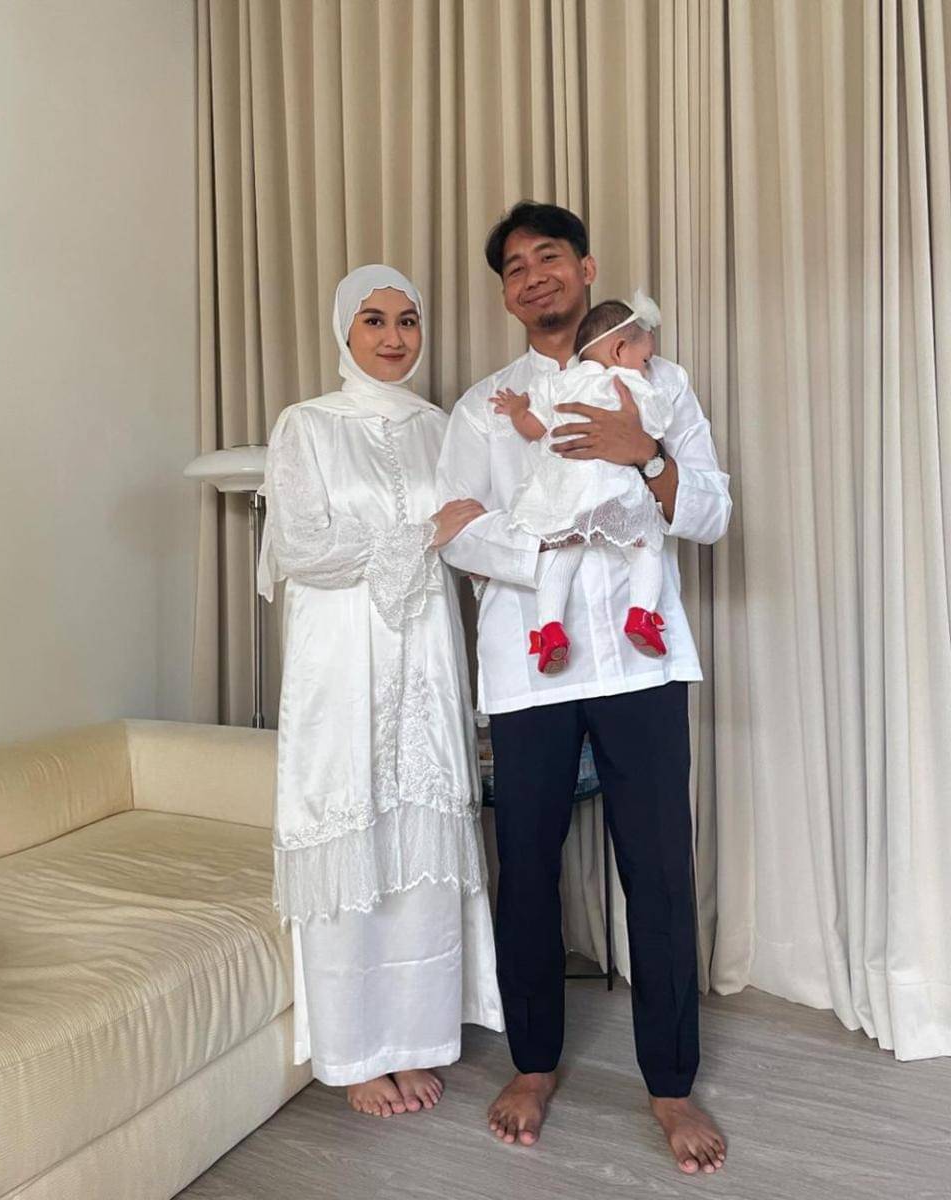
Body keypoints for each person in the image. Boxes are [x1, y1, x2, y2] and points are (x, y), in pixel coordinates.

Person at [435, 203, 732, 1175]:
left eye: (548, 257)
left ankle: (671, 1084)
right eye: (514, 267)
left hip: (644, 662)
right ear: (507, 294)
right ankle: (532, 1064)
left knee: (660, 869)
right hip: (531, 664)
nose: (532, 276)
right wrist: (549, 547)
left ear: (586, 268)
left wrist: (643, 454)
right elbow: (455, 527)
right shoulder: (486, 405)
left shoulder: (659, 383)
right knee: (526, 866)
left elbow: (711, 513)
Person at [258, 264, 503, 1120]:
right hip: (340, 660)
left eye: (408, 320)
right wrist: (423, 533)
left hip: (426, 653)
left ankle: (416, 1035)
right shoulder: (307, 425)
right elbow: (303, 548)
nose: (395, 337)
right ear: (344, 330)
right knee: (349, 822)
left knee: (420, 833)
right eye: (374, 320)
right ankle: (357, 1052)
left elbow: (474, 529)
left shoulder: (442, 428)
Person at [489, 292, 673, 673]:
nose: (646, 368)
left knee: (558, 558)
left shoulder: (557, 384)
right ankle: (641, 614)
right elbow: (654, 429)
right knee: (645, 548)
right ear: (619, 350)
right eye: (645, 360)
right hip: (615, 490)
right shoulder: (629, 385)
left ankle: (550, 629)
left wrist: (517, 409)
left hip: (567, 494)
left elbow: (533, 429)